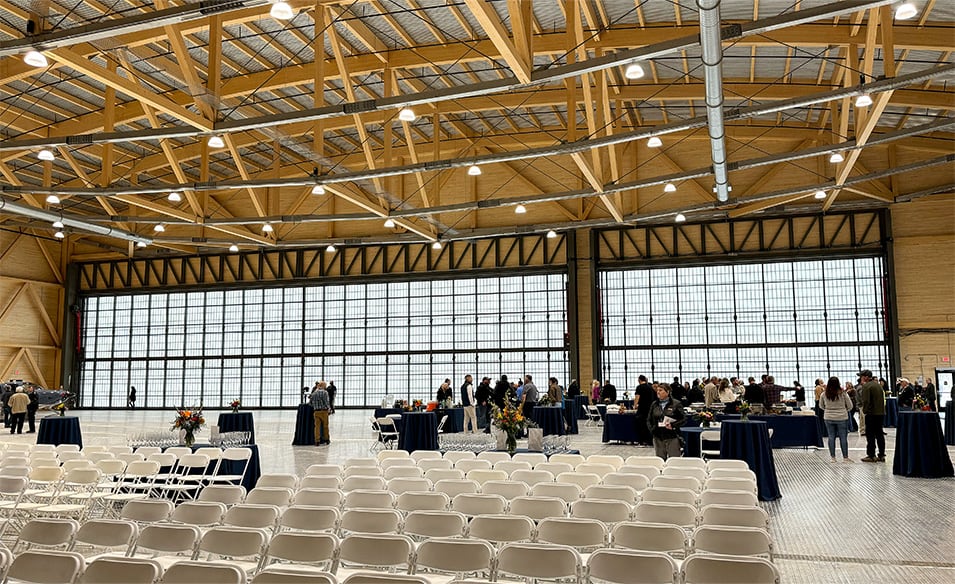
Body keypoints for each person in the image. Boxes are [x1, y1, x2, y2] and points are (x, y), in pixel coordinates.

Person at [820, 376, 854, 463]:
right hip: (842, 417)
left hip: (828, 417)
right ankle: (845, 458)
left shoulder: (824, 394)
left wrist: (828, 410)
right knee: (843, 437)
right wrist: (844, 410)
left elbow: (821, 406)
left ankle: (833, 458)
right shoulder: (843, 393)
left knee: (831, 437)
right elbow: (850, 406)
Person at [647, 385, 685, 460]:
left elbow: (683, 419)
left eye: (660, 390)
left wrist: (673, 425)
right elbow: (649, 419)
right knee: (660, 460)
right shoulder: (654, 404)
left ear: (668, 392)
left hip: (672, 436)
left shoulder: (676, 404)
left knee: (674, 460)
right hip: (658, 436)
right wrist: (652, 430)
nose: (658, 392)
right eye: (657, 390)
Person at [857, 369, 886, 462]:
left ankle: (871, 455)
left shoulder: (866, 386)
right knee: (879, 434)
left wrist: (864, 411)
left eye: (861, 376)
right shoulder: (878, 386)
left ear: (865, 377)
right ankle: (881, 454)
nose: (860, 378)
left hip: (871, 413)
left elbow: (866, 401)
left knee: (870, 435)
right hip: (880, 413)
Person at [634, 375, 655, 445]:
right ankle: (649, 441)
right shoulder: (650, 387)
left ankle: (641, 441)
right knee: (648, 425)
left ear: (639, 380)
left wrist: (635, 405)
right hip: (649, 409)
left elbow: (637, 397)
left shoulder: (639, 387)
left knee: (641, 425)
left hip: (642, 409)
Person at [309, 381, 331, 446]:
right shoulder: (325, 392)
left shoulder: (314, 393)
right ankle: (326, 439)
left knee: (317, 427)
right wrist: (329, 409)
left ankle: (317, 441)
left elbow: (310, 403)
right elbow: (326, 402)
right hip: (324, 411)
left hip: (316, 412)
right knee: (325, 426)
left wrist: (315, 406)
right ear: (323, 386)